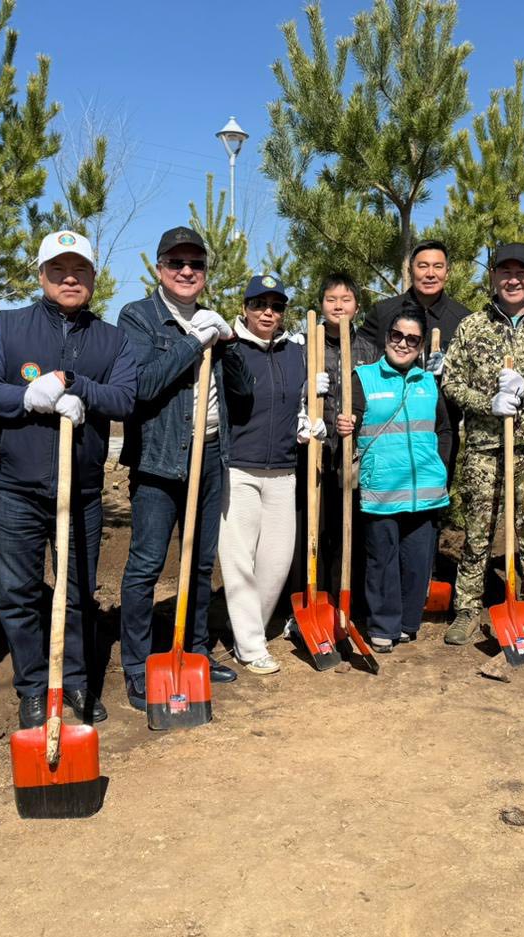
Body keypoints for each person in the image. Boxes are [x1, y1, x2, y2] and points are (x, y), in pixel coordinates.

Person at [0, 230, 137, 729]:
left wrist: (77, 386)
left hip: (81, 491)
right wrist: (26, 398)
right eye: (59, 270)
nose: (70, 278)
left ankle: (78, 682)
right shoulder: (8, 328)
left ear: (92, 276)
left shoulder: (111, 339)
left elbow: (125, 399)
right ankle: (33, 686)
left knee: (77, 591)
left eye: (80, 270)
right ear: (41, 275)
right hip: (17, 488)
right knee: (18, 591)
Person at [116, 227, 254, 709]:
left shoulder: (211, 320)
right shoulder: (138, 317)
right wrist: (194, 342)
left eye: (196, 264)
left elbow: (242, 394)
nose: (187, 272)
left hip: (211, 455)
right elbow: (142, 386)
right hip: (158, 460)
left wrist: (230, 344)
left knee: (198, 561)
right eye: (177, 263)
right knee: (146, 566)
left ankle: (194, 651)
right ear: (160, 269)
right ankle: (136, 666)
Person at [442, 242, 524, 647]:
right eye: (505, 272)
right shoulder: (472, 327)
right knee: (479, 533)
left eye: (521, 272)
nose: (513, 279)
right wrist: (488, 402)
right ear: (493, 276)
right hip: (485, 448)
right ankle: (467, 608)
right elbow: (450, 382)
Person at [219, 276, 322, 674]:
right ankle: (249, 644)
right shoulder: (230, 348)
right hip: (238, 467)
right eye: (260, 304)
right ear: (244, 307)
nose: (268, 312)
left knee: (277, 561)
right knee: (239, 559)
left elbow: (303, 401)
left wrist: (309, 415)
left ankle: (248, 627)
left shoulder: (296, 353)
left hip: (283, 468)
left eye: (276, 306)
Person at [337, 305, 450, 651]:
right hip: (382, 488)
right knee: (382, 561)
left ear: (420, 346)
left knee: (417, 562)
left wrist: (440, 465)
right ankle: (382, 624)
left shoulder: (429, 383)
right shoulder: (365, 377)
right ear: (387, 337)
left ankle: (407, 622)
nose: (403, 344)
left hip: (425, 490)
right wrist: (343, 427)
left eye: (412, 339)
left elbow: (444, 428)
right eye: (397, 336)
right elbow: (349, 424)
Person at [357, 240, 469, 477]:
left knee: (432, 499)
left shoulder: (464, 320)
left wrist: (450, 369)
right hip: (388, 430)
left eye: (437, 267)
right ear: (410, 270)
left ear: (447, 273)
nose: (430, 274)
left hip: (440, 430)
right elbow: (360, 362)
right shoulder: (383, 313)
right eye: (423, 266)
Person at [315, 274, 379, 600]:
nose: (338, 306)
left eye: (346, 300)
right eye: (331, 299)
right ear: (321, 304)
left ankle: (349, 597)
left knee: (350, 528)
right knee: (318, 528)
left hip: (355, 455)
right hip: (317, 451)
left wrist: (359, 420)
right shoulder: (307, 346)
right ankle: (318, 596)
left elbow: (380, 397)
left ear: (357, 306)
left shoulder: (369, 350)